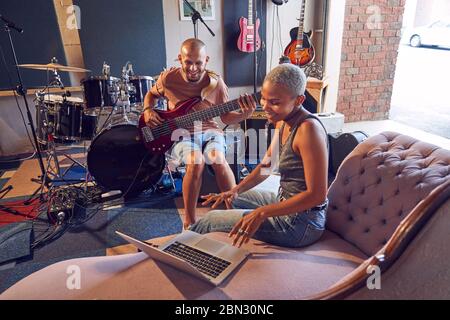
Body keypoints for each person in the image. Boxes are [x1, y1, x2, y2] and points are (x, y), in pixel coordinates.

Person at [190, 64, 329, 248]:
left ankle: (176, 250)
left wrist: (263, 212)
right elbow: (267, 165)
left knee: (209, 220)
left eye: (275, 102)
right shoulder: (283, 120)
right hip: (285, 201)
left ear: (299, 100)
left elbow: (317, 195)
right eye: (263, 99)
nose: (265, 107)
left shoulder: (308, 130)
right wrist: (235, 190)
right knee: (232, 198)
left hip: (302, 223)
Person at [143, 38, 255, 229]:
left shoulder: (216, 83)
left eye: (198, 63)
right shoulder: (168, 78)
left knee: (218, 159)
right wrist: (148, 110)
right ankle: (189, 220)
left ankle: (234, 215)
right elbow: (151, 95)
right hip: (180, 133)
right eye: (188, 62)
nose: (193, 68)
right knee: (196, 162)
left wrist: (246, 113)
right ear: (180, 59)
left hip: (210, 130)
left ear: (206, 60)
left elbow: (226, 118)